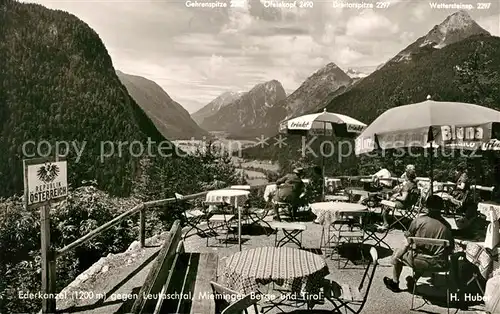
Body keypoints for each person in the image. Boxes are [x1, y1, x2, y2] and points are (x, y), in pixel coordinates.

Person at [383, 195, 454, 292]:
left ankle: (395, 283)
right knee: (429, 253)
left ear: (427, 206)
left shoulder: (418, 221)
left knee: (400, 253)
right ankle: (414, 280)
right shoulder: (447, 226)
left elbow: (408, 239)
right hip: (439, 263)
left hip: (418, 260)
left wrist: (398, 253)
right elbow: (450, 249)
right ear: (441, 207)